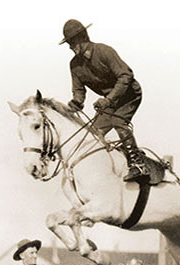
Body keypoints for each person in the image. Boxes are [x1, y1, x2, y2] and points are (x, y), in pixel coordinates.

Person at [59, 19, 149, 183]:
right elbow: (79, 91)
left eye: (73, 42)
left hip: (129, 94)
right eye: (69, 44)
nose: (71, 47)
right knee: (94, 134)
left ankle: (138, 164)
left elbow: (126, 75)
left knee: (117, 121)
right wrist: (76, 103)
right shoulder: (74, 65)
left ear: (83, 37)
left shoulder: (104, 51)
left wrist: (108, 100)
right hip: (110, 102)